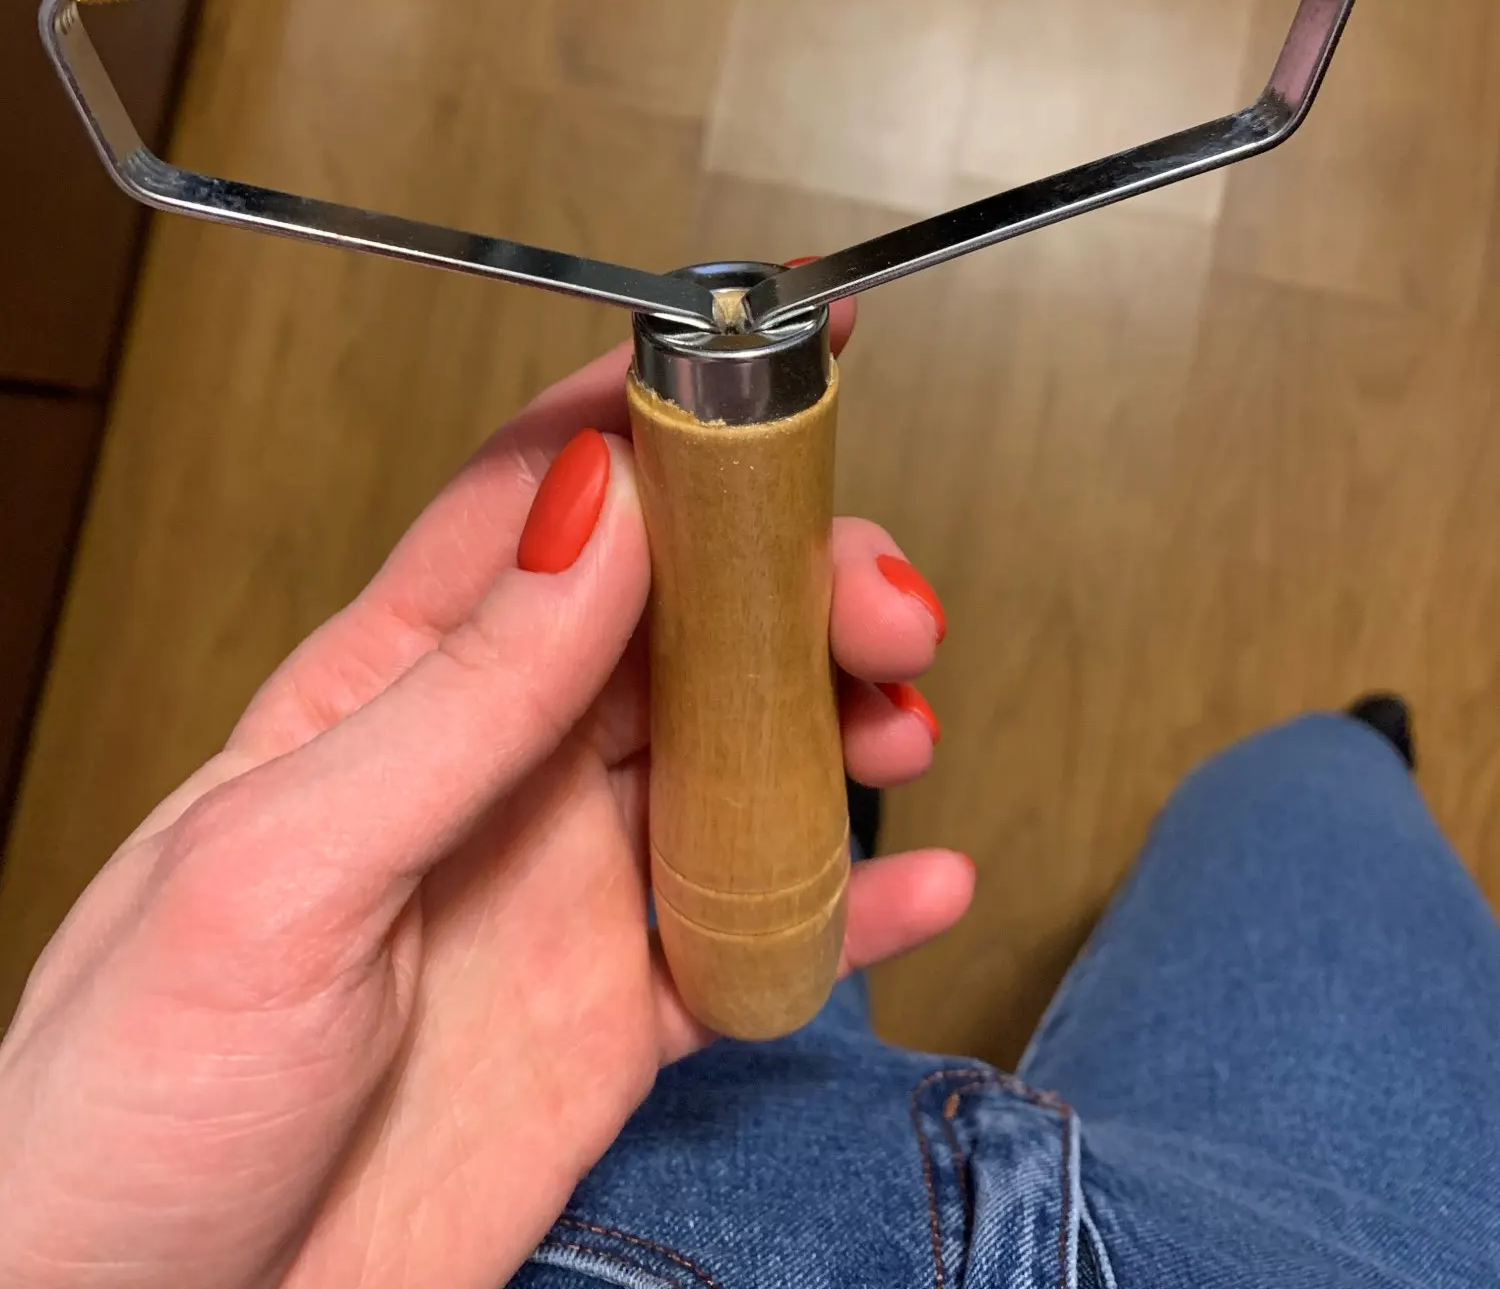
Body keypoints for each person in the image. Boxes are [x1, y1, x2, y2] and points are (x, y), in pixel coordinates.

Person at [1, 322, 1496, 1288]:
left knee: (1290, 817)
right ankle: (1342, 756)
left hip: (630, 1202)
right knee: (1313, 808)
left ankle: (831, 797)